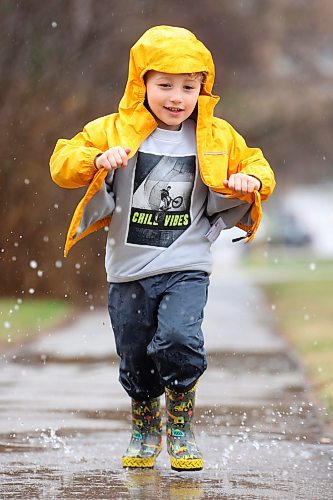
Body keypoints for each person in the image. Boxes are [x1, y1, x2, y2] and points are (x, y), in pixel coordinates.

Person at [50, 25, 275, 471]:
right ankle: (145, 420)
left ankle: (180, 422)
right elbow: (62, 162)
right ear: (142, 84)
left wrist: (252, 181)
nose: (177, 97)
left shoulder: (215, 137)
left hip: (187, 262)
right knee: (134, 352)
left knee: (178, 338)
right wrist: (96, 160)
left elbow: (256, 164)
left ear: (203, 90)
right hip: (128, 268)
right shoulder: (114, 130)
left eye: (189, 87)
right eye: (165, 85)